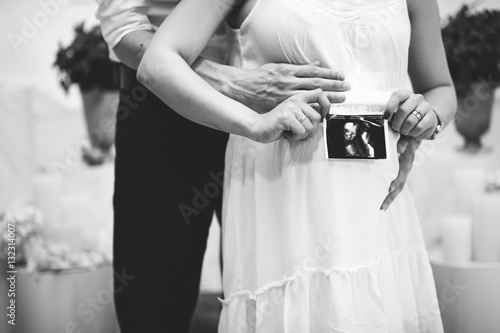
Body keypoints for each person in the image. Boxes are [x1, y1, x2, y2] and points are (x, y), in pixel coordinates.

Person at [96, 0, 424, 332]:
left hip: (281, 117)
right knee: (155, 298)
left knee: (288, 281)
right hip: (169, 110)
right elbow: (127, 29)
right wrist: (239, 83)